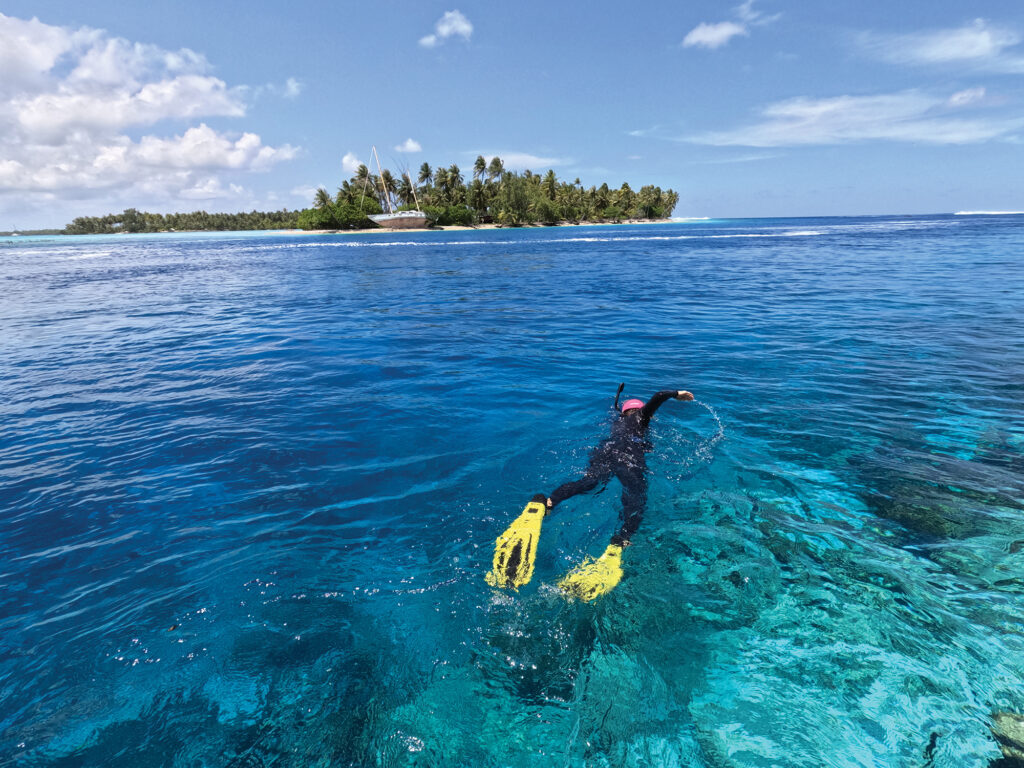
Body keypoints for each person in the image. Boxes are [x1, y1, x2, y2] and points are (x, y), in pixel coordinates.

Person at [486, 384, 694, 601]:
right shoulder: (642, 417)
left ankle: (546, 502)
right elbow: (658, 396)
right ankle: (621, 540)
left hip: (605, 450)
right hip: (627, 456)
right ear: (641, 411)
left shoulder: (618, 422)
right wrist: (676, 394)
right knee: (636, 498)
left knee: (588, 482)